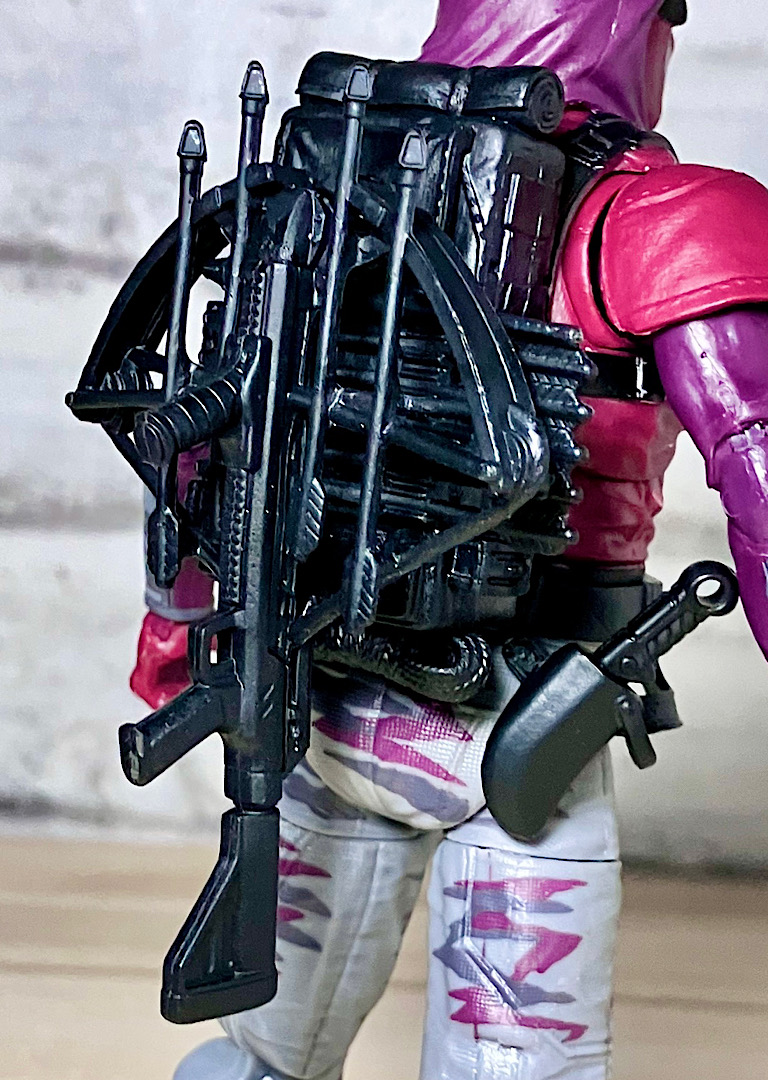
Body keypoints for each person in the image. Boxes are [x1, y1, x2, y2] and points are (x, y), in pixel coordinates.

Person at [130, 2, 768, 1077]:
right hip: (515, 735)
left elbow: (207, 457)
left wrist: (174, 643)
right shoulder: (671, 219)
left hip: (324, 707)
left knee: (260, 1058)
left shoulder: (325, 184)